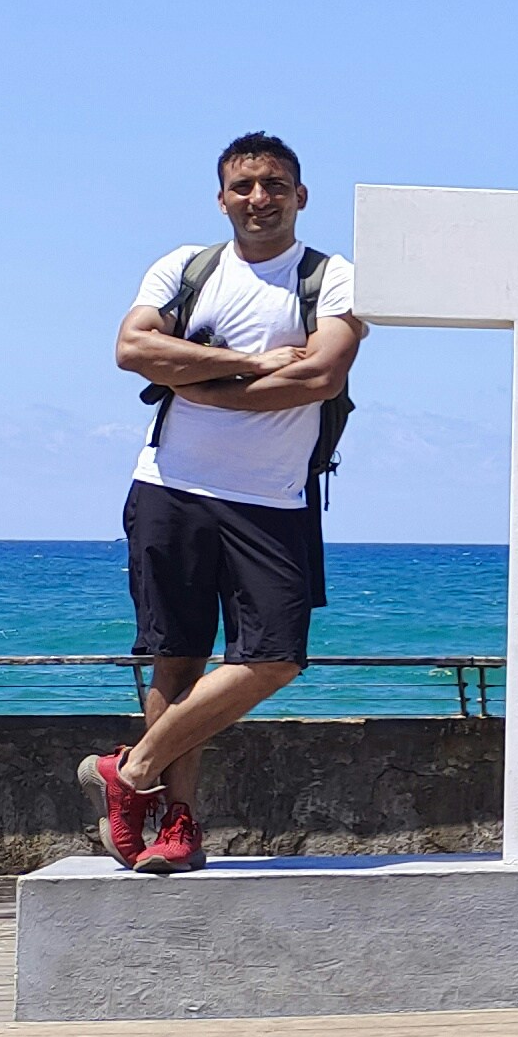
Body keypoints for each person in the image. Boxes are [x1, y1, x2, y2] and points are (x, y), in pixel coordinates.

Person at [77, 134, 365, 876]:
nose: (259, 198)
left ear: (301, 196)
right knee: (176, 661)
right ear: (222, 198)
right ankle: (174, 825)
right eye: (243, 186)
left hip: (272, 499)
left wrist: (199, 384)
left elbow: (323, 376)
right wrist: (251, 364)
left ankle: (130, 770)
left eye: (274, 184)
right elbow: (133, 350)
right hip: (170, 488)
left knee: (272, 659)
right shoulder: (184, 267)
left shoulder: (332, 278)